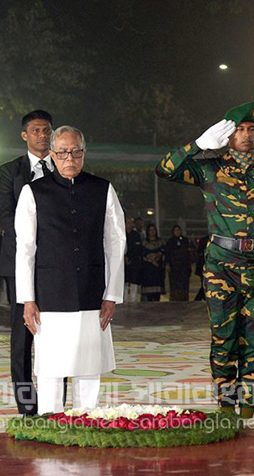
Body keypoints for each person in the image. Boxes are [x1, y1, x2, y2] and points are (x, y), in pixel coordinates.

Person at [156, 88, 254, 419]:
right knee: (224, 337)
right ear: (229, 133)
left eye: (251, 128)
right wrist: (198, 145)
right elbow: (164, 169)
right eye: (240, 129)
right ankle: (226, 405)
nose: (247, 134)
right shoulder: (209, 167)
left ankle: (249, 408)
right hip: (221, 266)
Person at [15, 125, 125, 414]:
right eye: (63, 152)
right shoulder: (33, 192)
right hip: (49, 294)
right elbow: (25, 248)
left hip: (92, 291)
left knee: (89, 365)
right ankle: (50, 423)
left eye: (76, 152)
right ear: (52, 155)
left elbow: (116, 242)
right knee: (51, 367)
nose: (70, 158)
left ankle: (86, 421)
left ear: (84, 153)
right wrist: (27, 299)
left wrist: (112, 294)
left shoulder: (102, 189)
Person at [0, 110, 54, 415]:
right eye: (36, 131)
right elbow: (5, 215)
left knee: (55, 332)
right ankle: (26, 404)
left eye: (46, 130)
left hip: (55, 265)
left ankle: (53, 401)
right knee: (22, 336)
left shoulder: (62, 167)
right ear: (24, 135)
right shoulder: (9, 172)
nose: (42, 136)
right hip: (19, 263)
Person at [165, 225, 192, 301]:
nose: (177, 232)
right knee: (174, 285)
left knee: (184, 284)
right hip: (174, 267)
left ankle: (184, 299)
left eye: (178, 230)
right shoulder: (170, 241)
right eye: (176, 230)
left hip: (183, 266)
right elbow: (168, 254)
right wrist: (168, 264)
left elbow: (188, 254)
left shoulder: (185, 240)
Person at [141, 224, 165, 301]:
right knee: (149, 295)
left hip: (157, 269)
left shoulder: (161, 242)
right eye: (150, 230)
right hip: (148, 270)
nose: (152, 232)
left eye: (153, 230)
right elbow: (142, 254)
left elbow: (163, 251)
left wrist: (157, 256)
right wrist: (151, 260)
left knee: (157, 294)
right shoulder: (144, 242)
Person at [124, 217, 144, 302]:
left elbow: (138, 249)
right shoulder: (121, 234)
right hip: (123, 263)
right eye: (128, 222)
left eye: (131, 223)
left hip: (134, 263)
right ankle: (123, 300)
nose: (130, 224)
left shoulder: (136, 235)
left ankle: (134, 300)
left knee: (134, 282)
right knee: (124, 283)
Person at [194, 234, 210, 301]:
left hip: (209, 266)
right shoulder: (204, 240)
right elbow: (199, 252)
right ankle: (199, 298)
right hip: (204, 265)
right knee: (204, 284)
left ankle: (201, 298)